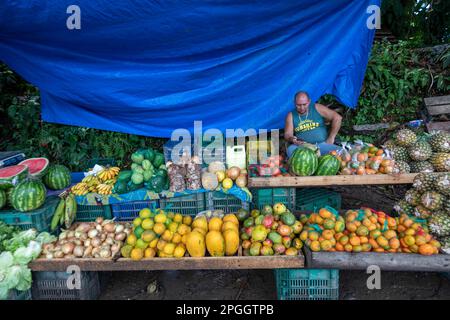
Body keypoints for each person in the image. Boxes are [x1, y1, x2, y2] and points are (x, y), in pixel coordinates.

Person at [285, 91, 342, 158]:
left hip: (321, 145)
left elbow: (337, 118)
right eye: (299, 105)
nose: (302, 108)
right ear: (294, 103)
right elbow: (287, 134)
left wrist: (331, 138)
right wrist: (292, 139)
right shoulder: (291, 115)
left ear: (309, 101)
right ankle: (314, 161)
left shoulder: (317, 108)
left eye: (304, 104)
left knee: (341, 152)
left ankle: (314, 160)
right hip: (303, 148)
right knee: (290, 150)